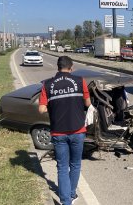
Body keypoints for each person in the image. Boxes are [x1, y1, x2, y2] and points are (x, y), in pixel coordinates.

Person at [38, 56, 91, 205]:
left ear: (58, 67)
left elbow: (41, 109)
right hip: (78, 130)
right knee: (75, 164)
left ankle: (65, 201)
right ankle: (72, 194)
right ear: (71, 67)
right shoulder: (80, 81)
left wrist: (52, 102)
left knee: (62, 167)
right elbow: (88, 102)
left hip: (58, 132)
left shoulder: (47, 84)